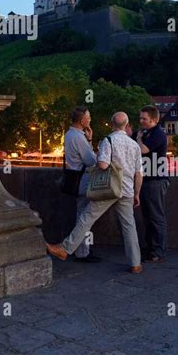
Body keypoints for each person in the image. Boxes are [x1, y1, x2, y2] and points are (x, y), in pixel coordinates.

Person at [47, 112, 143, 273]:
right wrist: (137, 194)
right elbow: (139, 173)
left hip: (110, 189)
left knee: (87, 218)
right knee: (128, 226)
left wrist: (100, 160)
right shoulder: (134, 145)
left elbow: (103, 165)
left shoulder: (108, 140)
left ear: (112, 124)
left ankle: (65, 249)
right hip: (127, 190)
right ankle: (135, 263)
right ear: (126, 126)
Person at [63, 107, 101, 262]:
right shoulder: (78, 137)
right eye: (89, 117)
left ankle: (81, 251)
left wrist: (90, 140)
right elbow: (90, 160)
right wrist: (92, 146)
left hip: (74, 178)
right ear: (82, 120)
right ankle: (82, 252)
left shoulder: (69, 134)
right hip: (83, 180)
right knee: (84, 217)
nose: (90, 119)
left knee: (81, 214)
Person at [136, 105, 169, 262]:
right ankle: (150, 248)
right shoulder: (147, 132)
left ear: (154, 120)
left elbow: (143, 149)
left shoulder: (158, 134)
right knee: (148, 216)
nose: (141, 121)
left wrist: (139, 139)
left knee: (156, 216)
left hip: (156, 180)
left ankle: (158, 251)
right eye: (140, 118)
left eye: (144, 119)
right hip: (147, 179)